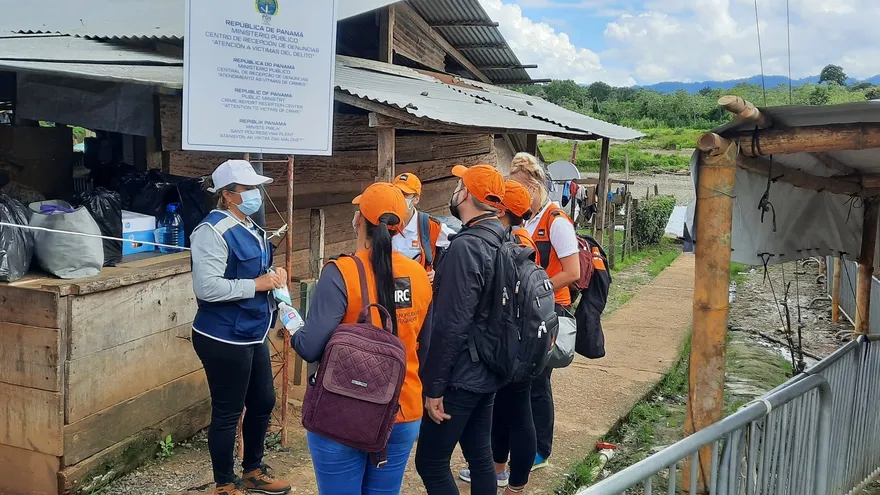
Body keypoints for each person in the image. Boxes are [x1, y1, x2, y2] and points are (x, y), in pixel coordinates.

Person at [292, 182, 433, 494]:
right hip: (402, 407)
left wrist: (293, 330)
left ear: (359, 220)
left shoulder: (340, 272)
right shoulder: (419, 275)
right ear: (398, 227)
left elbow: (310, 346)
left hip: (343, 409)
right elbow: (427, 345)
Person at [189, 159, 291, 495]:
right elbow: (207, 287)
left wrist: (274, 276)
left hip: (252, 331)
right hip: (222, 335)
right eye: (248, 188)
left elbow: (256, 270)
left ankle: (253, 471)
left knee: (262, 401)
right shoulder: (211, 231)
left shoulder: (249, 225)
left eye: (256, 187)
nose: (256, 193)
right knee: (228, 411)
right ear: (228, 194)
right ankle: (224, 483)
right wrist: (257, 285)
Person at [415, 164, 508, 495]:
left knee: (431, 462)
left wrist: (434, 387)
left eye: (458, 186)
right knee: (480, 456)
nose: (455, 192)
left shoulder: (466, 247)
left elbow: (451, 324)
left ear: (465, 194)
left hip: (461, 374)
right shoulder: (503, 237)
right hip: (489, 365)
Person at [458, 178, 538, 493]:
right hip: (521, 340)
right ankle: (500, 471)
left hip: (511, 343)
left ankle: (515, 484)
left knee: (518, 415)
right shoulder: (519, 239)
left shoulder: (511, 244)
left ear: (502, 210)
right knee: (511, 413)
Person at [509, 152, 581, 471]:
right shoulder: (525, 219)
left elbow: (573, 271)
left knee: (539, 379)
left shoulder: (557, 221)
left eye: (519, 191)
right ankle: (524, 445)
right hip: (528, 308)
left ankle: (540, 450)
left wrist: (537, 288)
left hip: (551, 307)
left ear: (534, 188)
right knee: (524, 379)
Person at [391, 172, 456, 283]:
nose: (400, 197)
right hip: (389, 288)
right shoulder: (385, 223)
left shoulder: (429, 225)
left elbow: (458, 244)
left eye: (405, 194)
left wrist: (440, 272)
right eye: (397, 193)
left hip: (420, 288)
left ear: (416, 199)